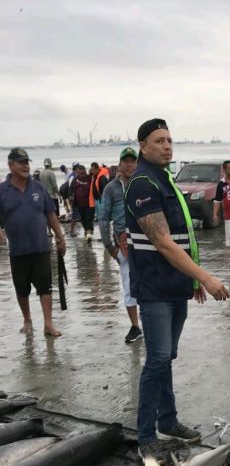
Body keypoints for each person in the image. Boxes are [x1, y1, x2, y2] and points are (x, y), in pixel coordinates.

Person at [126, 118, 229, 461]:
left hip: (175, 286)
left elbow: (186, 235)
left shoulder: (164, 178)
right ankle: (145, 436)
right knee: (156, 359)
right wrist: (209, 278)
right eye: (159, 141)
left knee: (167, 356)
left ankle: (168, 421)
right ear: (143, 146)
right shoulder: (142, 183)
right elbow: (164, 243)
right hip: (154, 288)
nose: (167, 146)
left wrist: (193, 279)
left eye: (170, 140)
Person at [0, 147, 66, 337]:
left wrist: (61, 238)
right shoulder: (2, 190)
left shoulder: (38, 187)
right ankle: (27, 319)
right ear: (10, 165)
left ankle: (48, 324)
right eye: (21, 163)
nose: (25, 166)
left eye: (26, 162)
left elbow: (51, 215)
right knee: (22, 289)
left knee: (45, 287)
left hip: (41, 247)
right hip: (17, 250)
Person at [99, 146, 143, 344]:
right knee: (128, 285)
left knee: (148, 282)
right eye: (125, 161)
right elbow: (103, 219)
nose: (129, 165)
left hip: (144, 241)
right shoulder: (111, 188)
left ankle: (149, 320)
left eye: (132, 161)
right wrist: (112, 249)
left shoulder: (142, 184)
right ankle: (135, 326)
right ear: (119, 164)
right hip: (123, 243)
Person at [71, 164, 94, 243]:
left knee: (88, 219)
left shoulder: (89, 178)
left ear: (85, 171)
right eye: (79, 173)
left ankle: (89, 235)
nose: (81, 175)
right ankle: (87, 231)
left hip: (89, 204)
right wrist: (71, 198)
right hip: (79, 204)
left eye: (82, 173)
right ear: (78, 172)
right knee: (83, 219)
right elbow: (71, 189)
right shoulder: (75, 179)